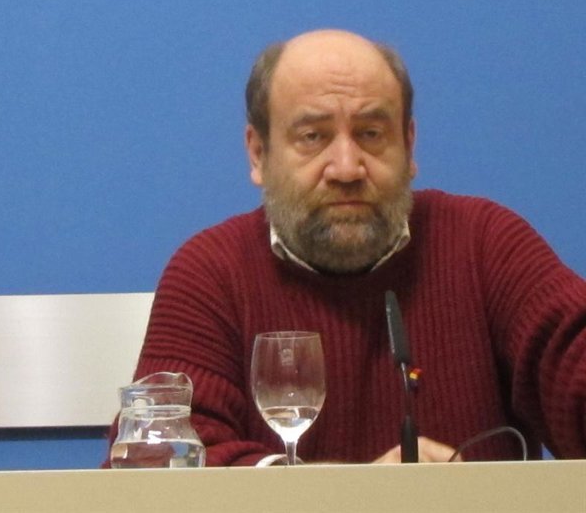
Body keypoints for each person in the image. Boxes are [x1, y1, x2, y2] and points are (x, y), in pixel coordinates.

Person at [119, 29, 586, 465]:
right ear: (258, 153)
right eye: (313, 137)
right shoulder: (211, 272)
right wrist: (349, 497)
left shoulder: (484, 244)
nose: (346, 168)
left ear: (409, 145)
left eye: (370, 134)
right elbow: (154, 458)